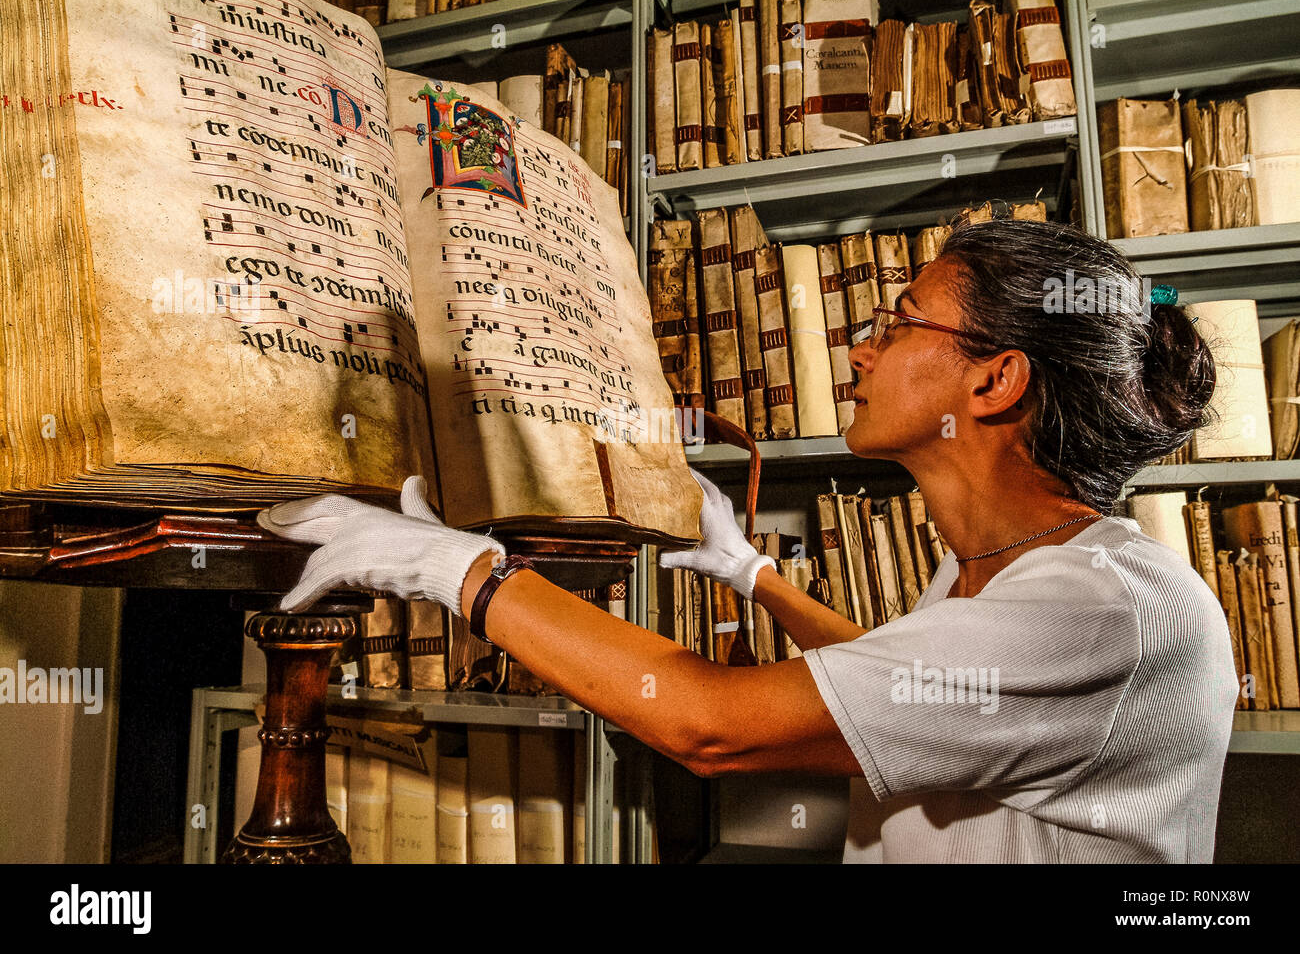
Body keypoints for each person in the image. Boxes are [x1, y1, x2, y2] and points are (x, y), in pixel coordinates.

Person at [257, 219, 1240, 863]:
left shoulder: (1101, 611)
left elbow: (706, 724)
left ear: (995, 381)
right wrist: (757, 576)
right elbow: (906, 695)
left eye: (897, 325)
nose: (856, 348)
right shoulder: (1012, 573)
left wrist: (451, 566)